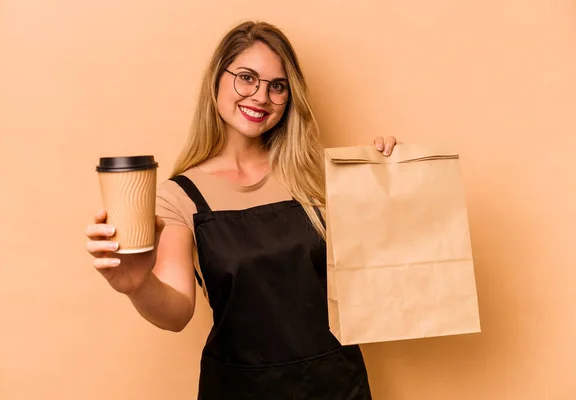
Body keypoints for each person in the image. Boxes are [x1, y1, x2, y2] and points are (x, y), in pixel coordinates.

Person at [85, 20, 398, 399]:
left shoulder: (317, 175)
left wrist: (394, 175)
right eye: (246, 78)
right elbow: (177, 312)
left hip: (335, 383)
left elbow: (382, 265)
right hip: (239, 389)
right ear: (217, 79)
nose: (260, 97)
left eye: (277, 86)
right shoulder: (179, 195)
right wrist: (139, 285)